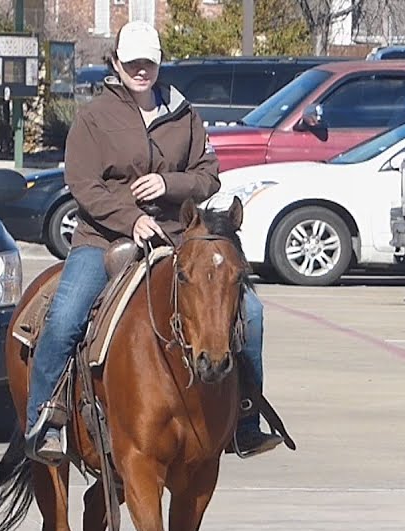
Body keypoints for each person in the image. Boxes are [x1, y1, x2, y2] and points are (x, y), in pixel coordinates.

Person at [24, 20, 283, 465]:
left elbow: (208, 176)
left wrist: (168, 184)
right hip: (102, 239)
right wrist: (130, 219)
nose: (141, 71)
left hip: (178, 239)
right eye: (132, 63)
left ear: (158, 64)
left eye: (148, 63)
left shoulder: (185, 115)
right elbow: (82, 185)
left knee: (251, 314)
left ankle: (244, 417)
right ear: (116, 64)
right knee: (65, 317)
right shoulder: (94, 118)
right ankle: (45, 419)